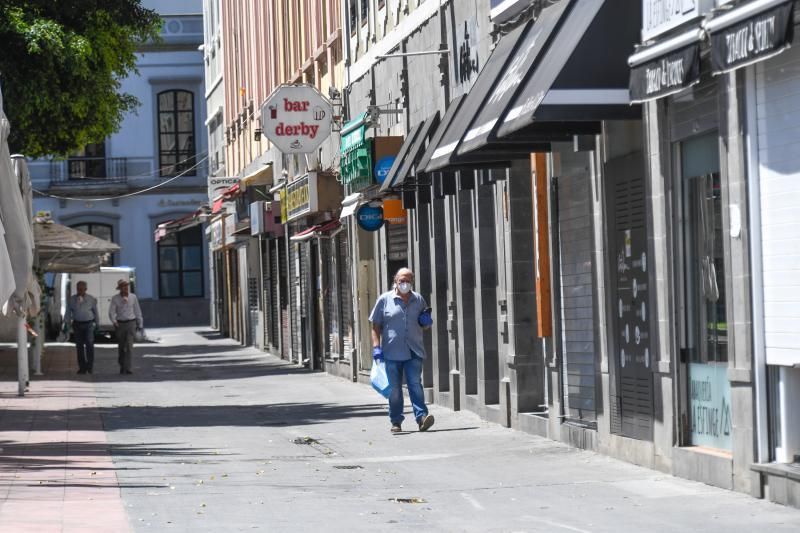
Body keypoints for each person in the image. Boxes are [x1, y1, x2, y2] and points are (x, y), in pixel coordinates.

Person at [369, 267, 435, 433]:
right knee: (395, 389)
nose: (404, 284)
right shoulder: (384, 300)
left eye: (407, 280)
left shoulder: (418, 299)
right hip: (391, 352)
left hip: (414, 350)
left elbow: (425, 326)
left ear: (412, 281)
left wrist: (426, 321)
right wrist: (376, 347)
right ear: (395, 281)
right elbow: (375, 326)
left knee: (415, 385)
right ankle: (396, 421)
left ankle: (421, 418)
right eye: (401, 281)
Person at [109, 279, 143, 375]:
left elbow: (137, 310)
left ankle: (128, 368)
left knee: (129, 346)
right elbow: (111, 312)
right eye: (123, 286)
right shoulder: (115, 298)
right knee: (121, 347)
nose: (125, 288)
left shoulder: (133, 297)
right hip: (120, 324)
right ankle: (122, 365)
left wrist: (140, 324)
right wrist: (114, 321)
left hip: (131, 323)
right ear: (120, 288)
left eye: (126, 286)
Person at [64, 280, 98, 374]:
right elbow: (68, 312)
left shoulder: (91, 299)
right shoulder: (72, 299)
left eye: (82, 289)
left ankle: (90, 366)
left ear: (85, 289)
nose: (80, 291)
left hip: (89, 324)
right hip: (77, 324)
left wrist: (97, 324)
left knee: (89, 345)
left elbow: (95, 312)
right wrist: (66, 324)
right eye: (78, 289)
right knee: (79, 346)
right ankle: (82, 367)